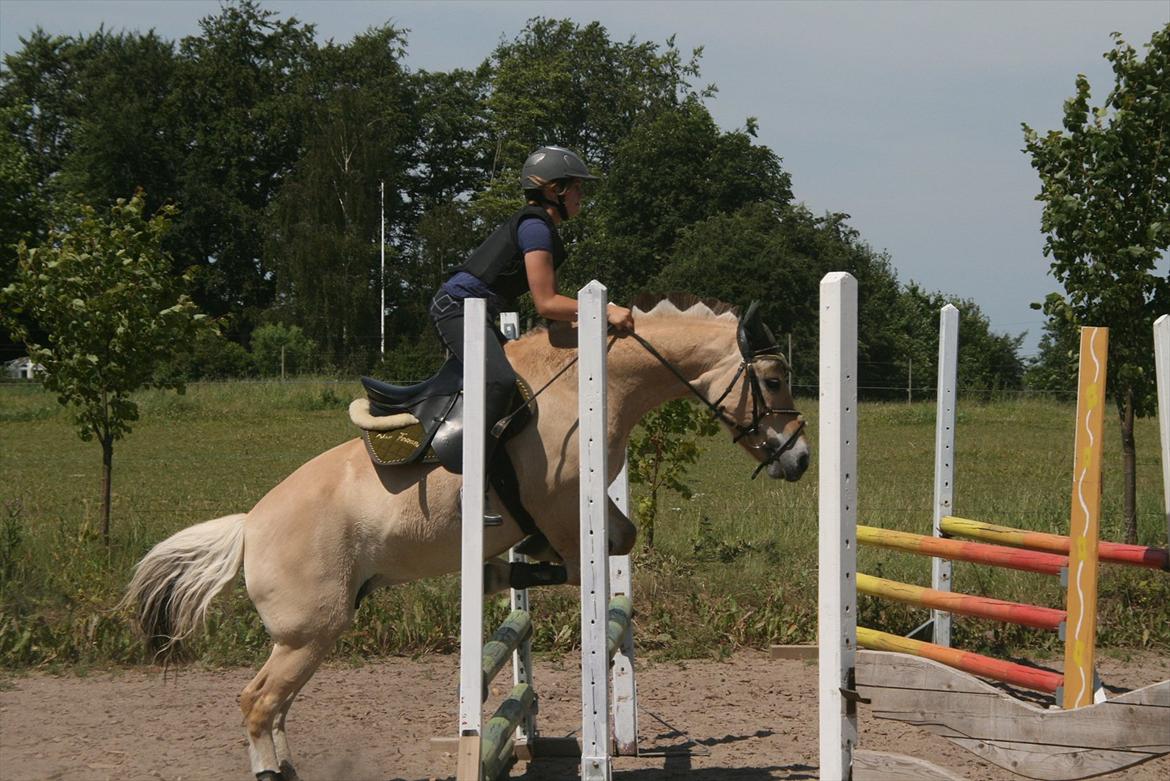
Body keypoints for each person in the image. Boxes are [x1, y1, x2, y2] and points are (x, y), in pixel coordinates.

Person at [429, 145, 635, 523]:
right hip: (458, 309)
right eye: (576, 187)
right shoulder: (536, 227)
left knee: (518, 386)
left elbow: (557, 322)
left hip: (479, 312)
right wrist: (604, 310)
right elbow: (546, 303)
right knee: (500, 383)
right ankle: (468, 491)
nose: (581, 195)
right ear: (555, 189)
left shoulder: (540, 227)